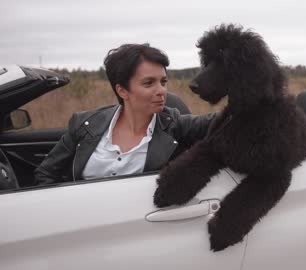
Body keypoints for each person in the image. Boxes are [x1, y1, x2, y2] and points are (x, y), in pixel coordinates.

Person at [34, 44, 214, 185]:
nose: (161, 91)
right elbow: (46, 173)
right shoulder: (84, 124)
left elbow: (224, 120)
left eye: (163, 81)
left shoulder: (176, 126)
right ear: (122, 91)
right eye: (149, 83)